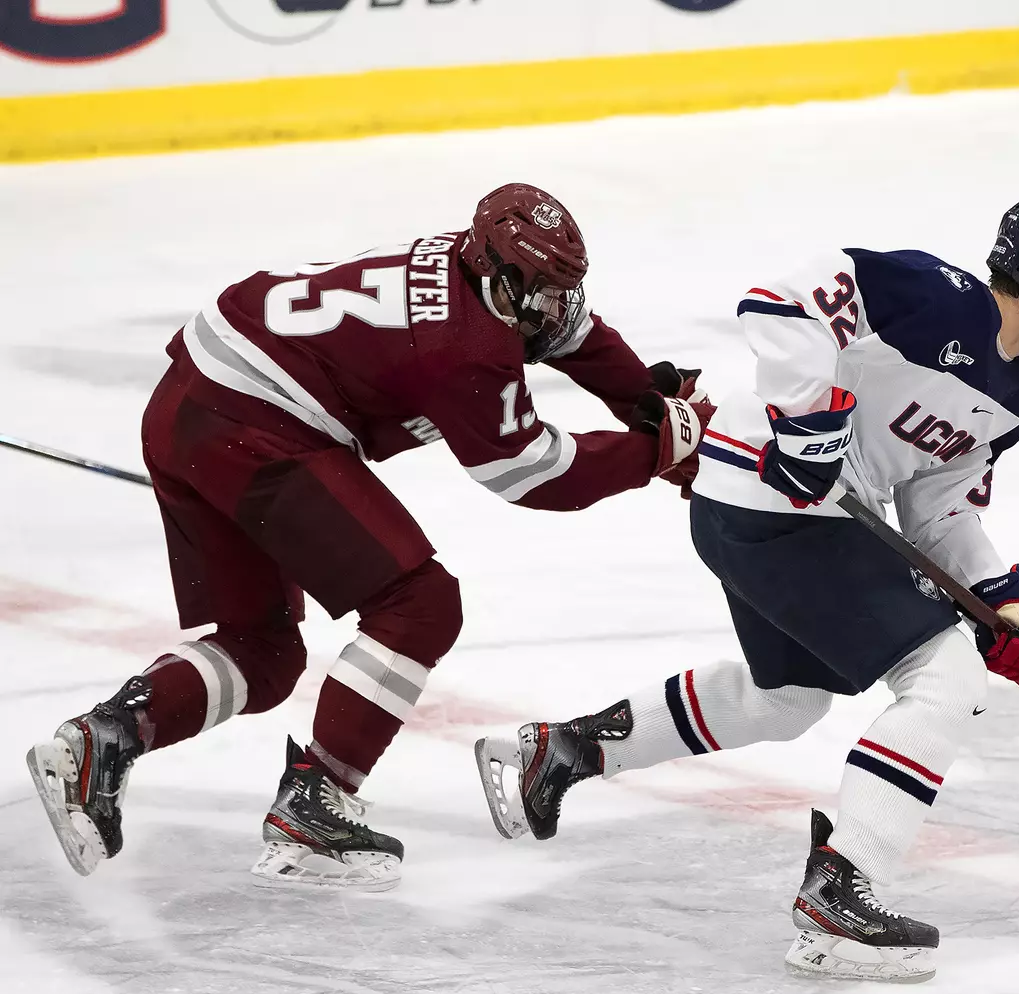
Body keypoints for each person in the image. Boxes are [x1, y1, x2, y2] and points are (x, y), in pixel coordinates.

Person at [475, 193, 1019, 980]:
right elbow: (780, 304)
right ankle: (844, 889)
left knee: (789, 698)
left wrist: (1002, 602)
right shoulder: (934, 295)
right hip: (770, 494)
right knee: (944, 677)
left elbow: (938, 509)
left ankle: (567, 749)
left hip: (778, 512)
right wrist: (808, 419)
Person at [26, 183, 712, 892]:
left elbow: (574, 335)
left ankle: (104, 739)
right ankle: (315, 803)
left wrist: (650, 403)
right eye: (540, 290)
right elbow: (533, 474)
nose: (553, 309)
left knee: (259, 652)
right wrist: (657, 451)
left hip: (191, 407)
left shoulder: (471, 265)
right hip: (257, 428)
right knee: (420, 604)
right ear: (500, 273)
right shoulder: (465, 348)